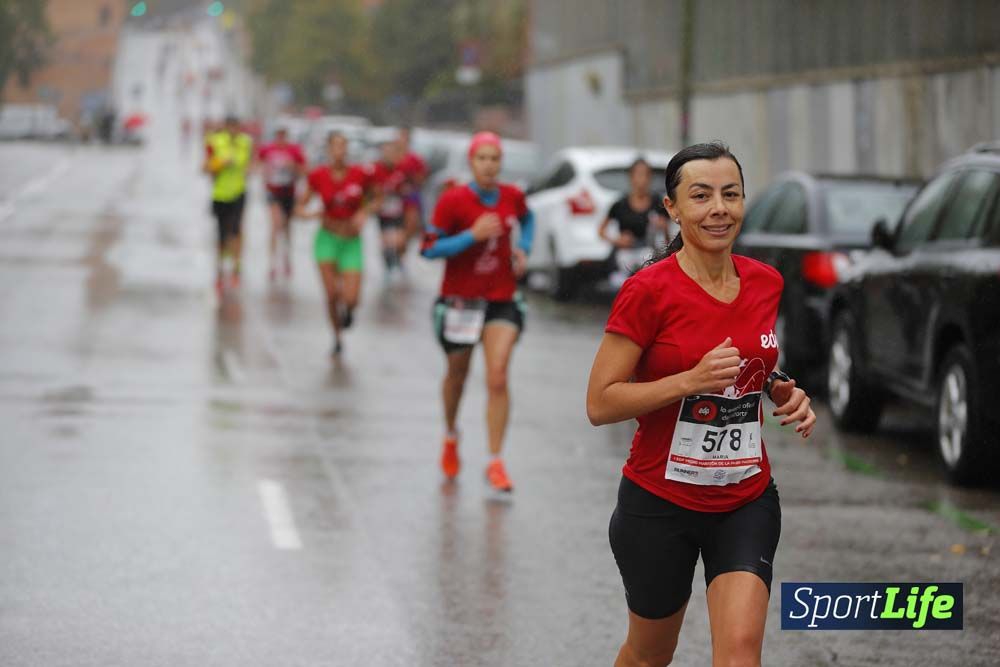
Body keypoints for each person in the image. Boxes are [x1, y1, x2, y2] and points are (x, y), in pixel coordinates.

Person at [586, 142, 816, 667]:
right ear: (672, 207)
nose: (719, 208)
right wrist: (688, 380)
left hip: (744, 497)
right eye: (702, 195)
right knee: (649, 654)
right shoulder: (647, 291)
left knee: (739, 653)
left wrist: (780, 387)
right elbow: (600, 402)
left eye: (730, 194)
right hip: (658, 502)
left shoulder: (765, 282)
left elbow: (751, 360)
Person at [421, 132, 535, 493]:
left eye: (494, 159)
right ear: (472, 162)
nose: (489, 165)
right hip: (460, 301)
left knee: (498, 376)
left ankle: (495, 461)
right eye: (482, 158)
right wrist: (470, 235)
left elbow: (527, 220)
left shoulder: (512, 196)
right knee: (457, 375)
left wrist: (524, 249)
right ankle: (451, 435)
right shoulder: (453, 200)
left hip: (501, 298)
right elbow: (428, 248)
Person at [296, 132, 378, 356]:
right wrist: (310, 214)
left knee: (351, 298)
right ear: (328, 150)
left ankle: (349, 311)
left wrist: (364, 212)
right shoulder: (318, 176)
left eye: (343, 146)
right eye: (335, 147)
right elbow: (300, 207)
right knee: (331, 294)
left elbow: (376, 198)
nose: (339, 151)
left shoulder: (360, 174)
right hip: (327, 238)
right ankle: (337, 337)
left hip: (351, 240)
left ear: (347, 150)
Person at [598, 157, 671, 278]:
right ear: (631, 177)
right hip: (624, 256)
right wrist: (617, 240)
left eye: (646, 175)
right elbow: (601, 231)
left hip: (650, 255)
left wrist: (663, 227)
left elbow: (668, 237)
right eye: (638, 174)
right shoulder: (620, 204)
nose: (642, 179)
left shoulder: (658, 202)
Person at [204, 115, 253, 293]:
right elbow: (205, 167)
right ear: (225, 127)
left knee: (236, 230)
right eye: (229, 127)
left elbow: (251, 165)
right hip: (220, 193)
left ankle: (236, 268)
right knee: (221, 234)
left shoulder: (246, 142)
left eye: (236, 127)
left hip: (239, 192)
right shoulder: (215, 141)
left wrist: (249, 169)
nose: (233, 131)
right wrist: (220, 163)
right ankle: (219, 269)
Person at [257, 126, 308, 281]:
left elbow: (305, 170)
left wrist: (292, 166)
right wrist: (264, 171)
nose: (281, 138)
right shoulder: (267, 149)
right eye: (278, 135)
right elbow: (257, 165)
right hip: (273, 192)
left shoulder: (294, 150)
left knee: (287, 228)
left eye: (283, 135)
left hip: (289, 192)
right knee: (275, 225)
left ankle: (287, 257)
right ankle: (272, 264)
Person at [370, 139, 409, 277]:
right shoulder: (376, 170)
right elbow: (370, 190)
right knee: (386, 241)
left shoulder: (401, 169)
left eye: (392, 152)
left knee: (400, 240)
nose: (389, 155)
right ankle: (387, 267)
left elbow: (408, 187)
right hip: (383, 212)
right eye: (386, 152)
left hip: (398, 210)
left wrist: (403, 191)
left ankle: (399, 261)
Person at [397, 126, 429, 248]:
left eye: (405, 138)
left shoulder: (414, 159)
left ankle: (403, 249)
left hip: (411, 196)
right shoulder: (393, 157)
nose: (402, 140)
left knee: (411, 225)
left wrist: (412, 181)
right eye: (401, 137)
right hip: (396, 199)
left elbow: (422, 177)